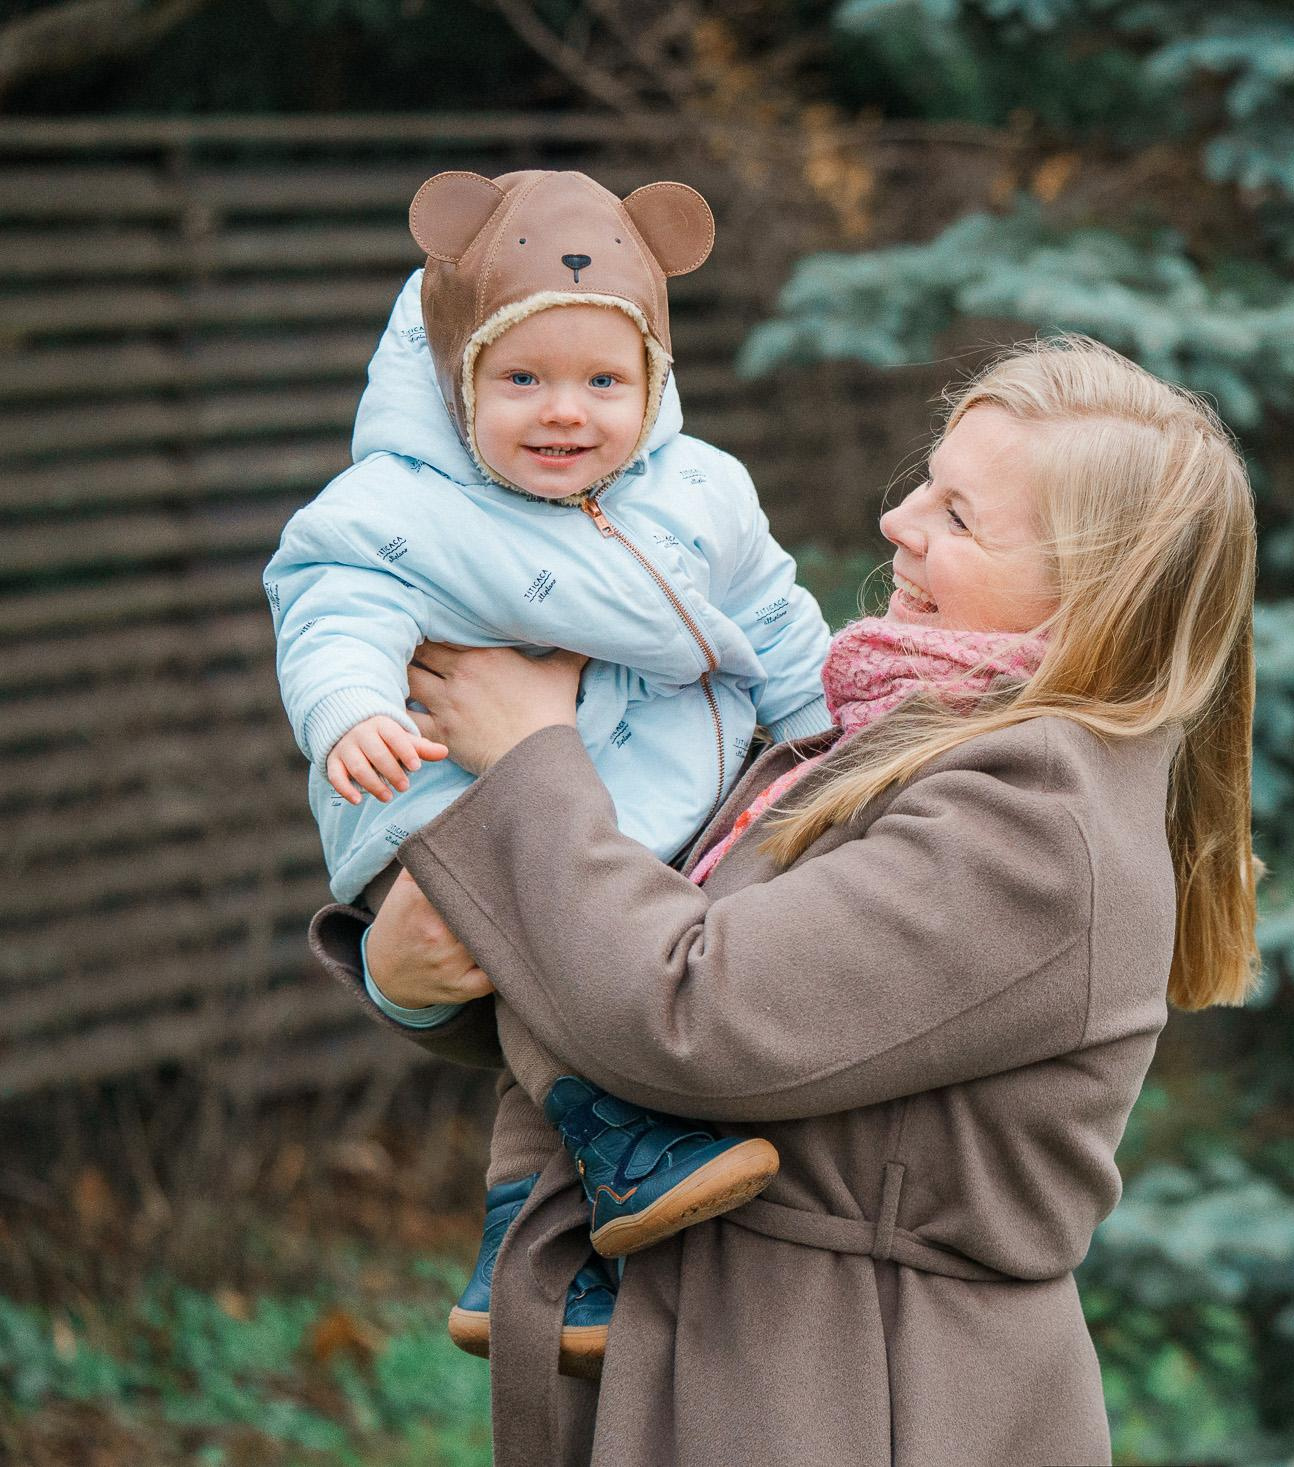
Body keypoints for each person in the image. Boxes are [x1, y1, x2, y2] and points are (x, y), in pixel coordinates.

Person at [311, 334, 1262, 1466]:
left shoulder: (1037, 819)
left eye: (958, 519)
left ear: (1098, 598)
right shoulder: (874, 737)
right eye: (926, 484)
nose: (899, 523)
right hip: (746, 1364)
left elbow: (692, 1016)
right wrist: (411, 982)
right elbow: (613, 954)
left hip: (866, 1398)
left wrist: (530, 757)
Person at [266, 169, 834, 1374]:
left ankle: (514, 1245)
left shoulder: (701, 493)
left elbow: (777, 622)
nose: (563, 413)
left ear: (655, 384)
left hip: (627, 794)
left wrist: (837, 736)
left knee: (578, 952)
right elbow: (332, 610)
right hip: (434, 791)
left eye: (603, 382)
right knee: (538, 952)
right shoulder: (398, 507)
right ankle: (621, 1135)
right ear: (454, 377)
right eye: (520, 380)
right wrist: (350, 711)